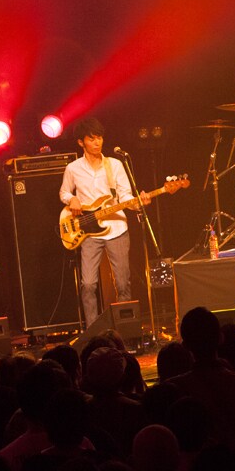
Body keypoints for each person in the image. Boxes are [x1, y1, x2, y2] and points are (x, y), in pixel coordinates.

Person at [58, 118, 149, 329]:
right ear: (81, 142)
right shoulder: (73, 168)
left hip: (117, 229)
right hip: (90, 233)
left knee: (123, 283)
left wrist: (139, 203)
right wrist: (71, 199)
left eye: (99, 137)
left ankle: (126, 330)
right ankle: (93, 332)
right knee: (88, 284)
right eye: (92, 138)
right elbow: (64, 191)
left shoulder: (115, 164)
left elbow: (126, 196)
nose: (97, 142)